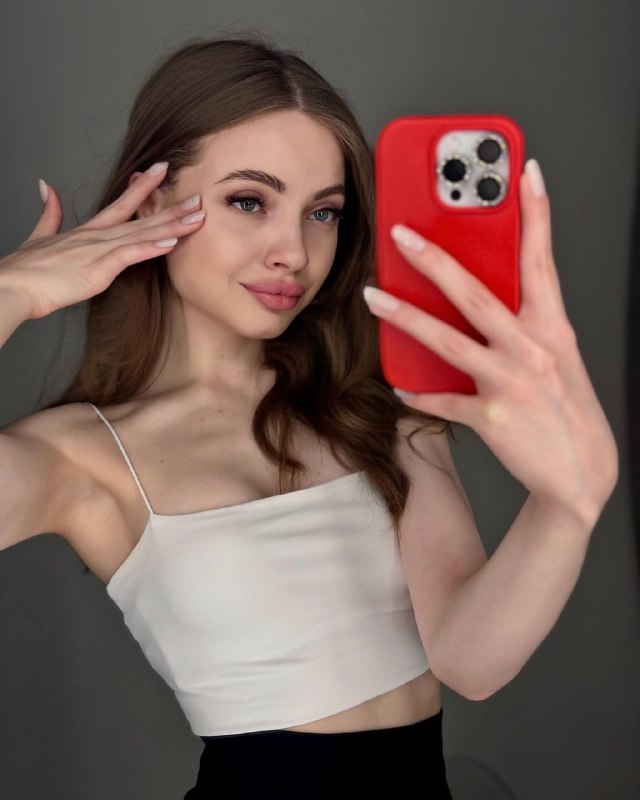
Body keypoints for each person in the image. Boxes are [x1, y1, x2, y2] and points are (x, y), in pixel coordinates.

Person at [0, 36, 617, 800]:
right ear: (153, 201)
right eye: (249, 201)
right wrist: (13, 293)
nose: (293, 251)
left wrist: (565, 508)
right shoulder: (80, 457)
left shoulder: (378, 408)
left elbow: (470, 661)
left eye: (323, 212)